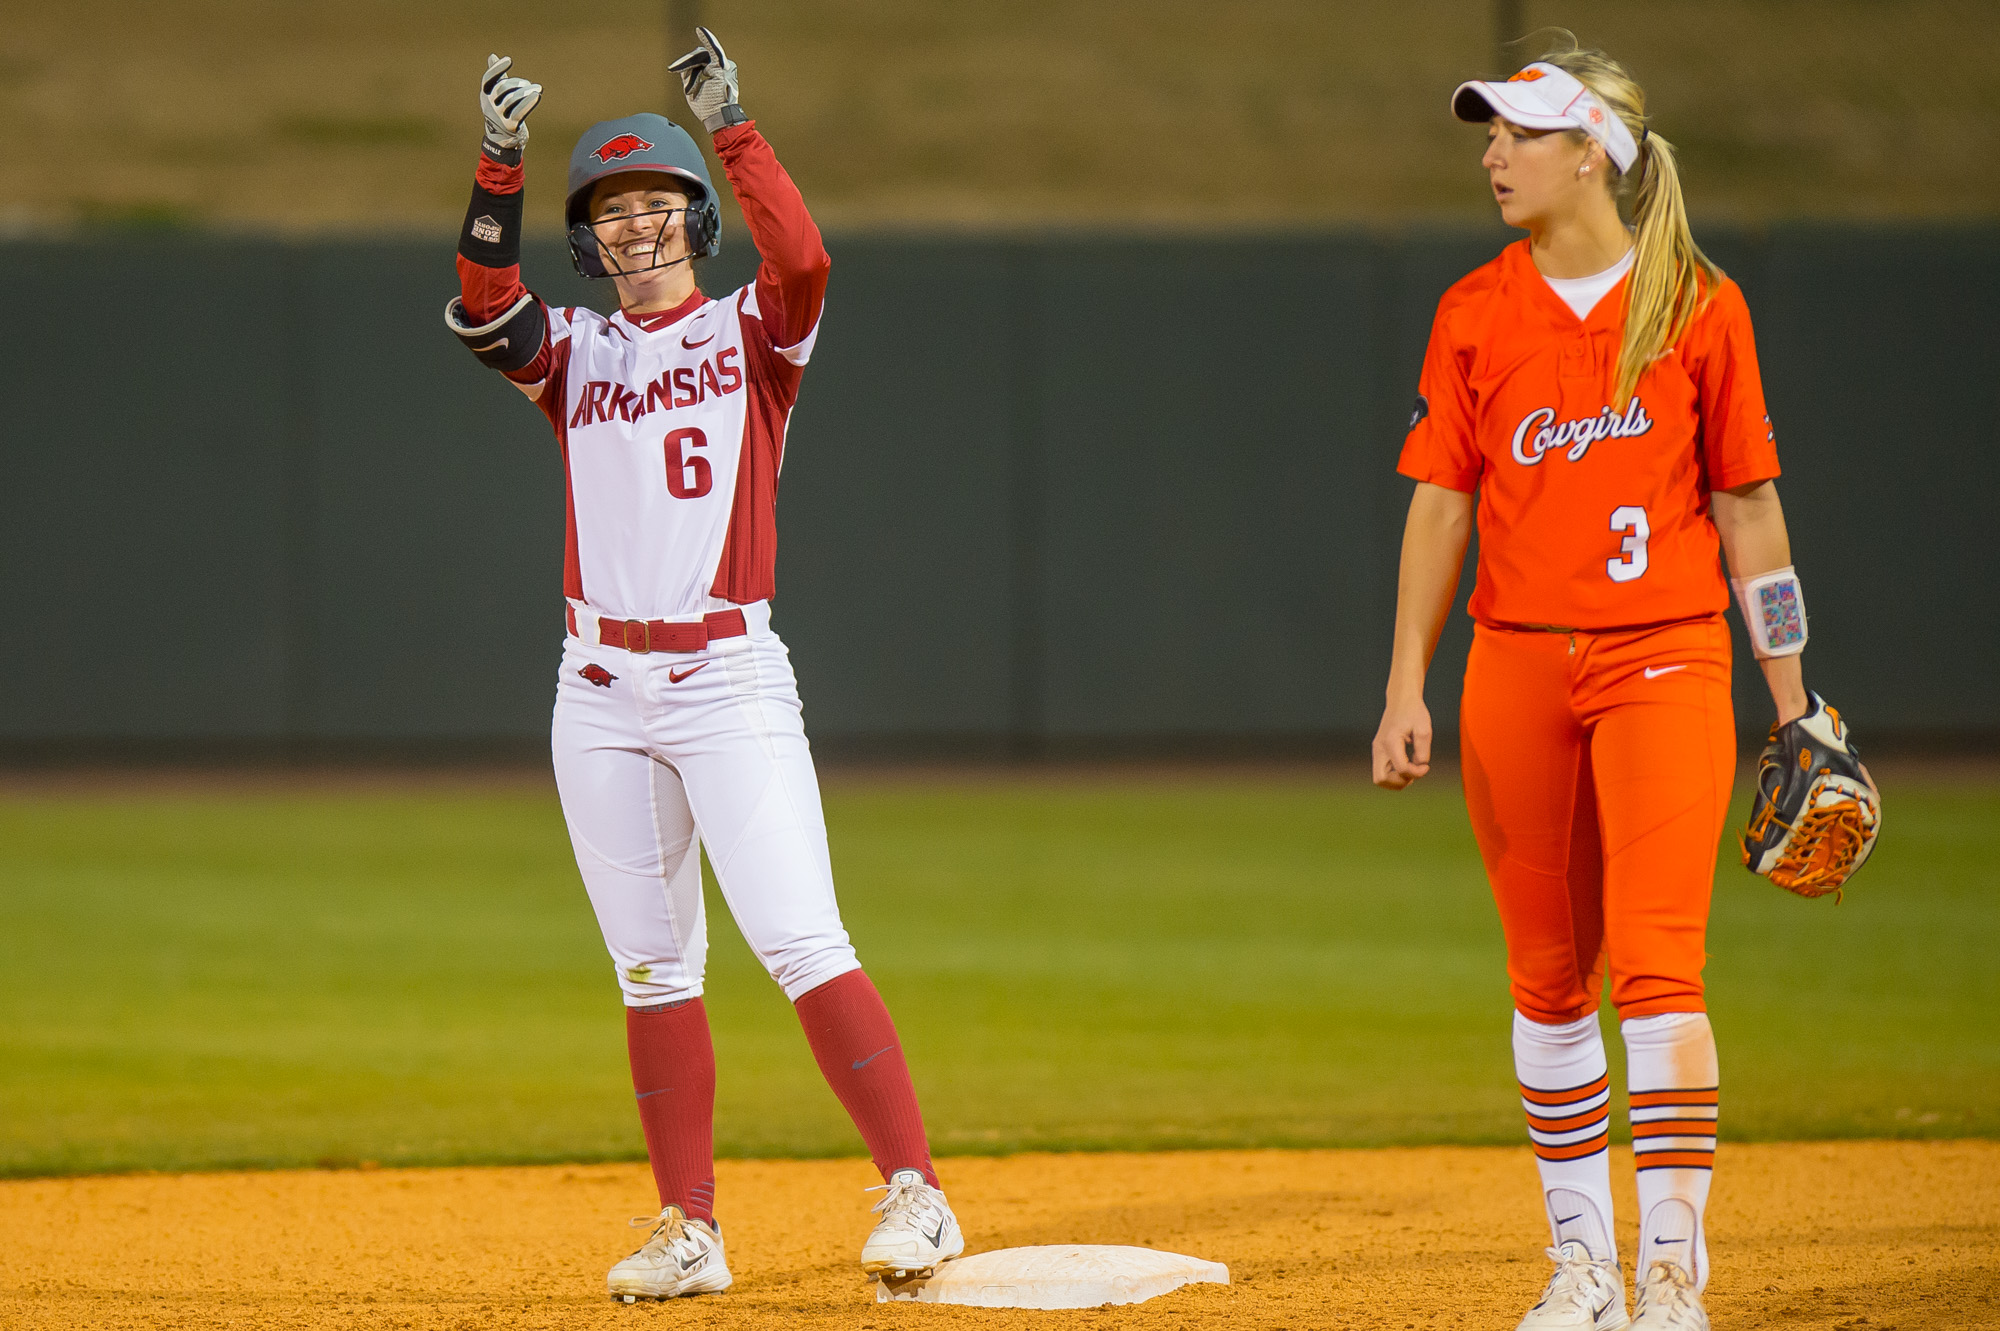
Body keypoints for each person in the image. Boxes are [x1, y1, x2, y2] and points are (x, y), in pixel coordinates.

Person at [444, 31, 964, 1303]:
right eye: (612, 213)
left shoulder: (754, 334)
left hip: (727, 679)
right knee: (651, 967)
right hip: (597, 690)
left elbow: (804, 256)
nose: (634, 229)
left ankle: (918, 1192)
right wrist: (499, 164)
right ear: (591, 238)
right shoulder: (572, 354)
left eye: (657, 207)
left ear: (694, 218)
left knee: (799, 936)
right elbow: (480, 304)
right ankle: (690, 1224)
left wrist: (733, 129)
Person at [1371, 39, 1853, 1331]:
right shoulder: (1475, 310)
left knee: (1658, 966)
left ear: (1592, 151)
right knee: (1546, 975)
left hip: (1667, 659)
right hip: (1516, 667)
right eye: (1489, 134)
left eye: (1518, 133)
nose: (1492, 153)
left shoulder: (1700, 305)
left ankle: (1670, 1272)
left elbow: (1751, 512)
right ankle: (1582, 1262)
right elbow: (1439, 509)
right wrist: (1405, 680)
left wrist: (1793, 698)